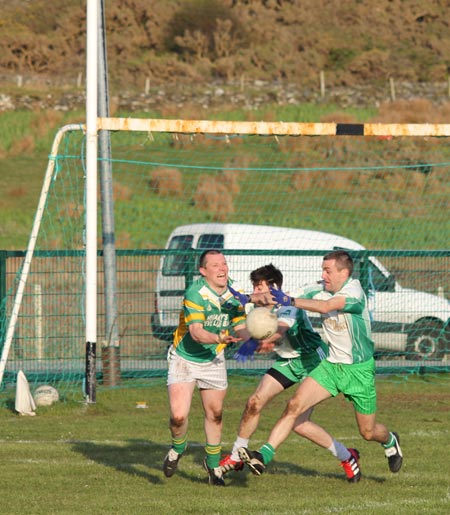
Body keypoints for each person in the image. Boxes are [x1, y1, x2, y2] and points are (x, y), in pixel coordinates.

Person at [238, 250, 403, 479]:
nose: (323, 275)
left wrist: (291, 301)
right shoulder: (317, 288)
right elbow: (278, 297)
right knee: (294, 406)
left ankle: (390, 440)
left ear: (344, 272)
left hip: (359, 371)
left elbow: (326, 307)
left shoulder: (353, 292)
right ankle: (263, 456)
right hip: (331, 366)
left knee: (368, 431)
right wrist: (245, 298)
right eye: (322, 270)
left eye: (328, 270)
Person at [221, 263, 364, 483]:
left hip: (313, 361)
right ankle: (236, 455)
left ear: (274, 287)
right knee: (254, 402)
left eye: (260, 288)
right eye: (254, 288)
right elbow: (249, 323)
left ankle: (347, 456)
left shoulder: (289, 304)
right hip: (288, 361)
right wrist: (248, 338)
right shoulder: (258, 307)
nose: (255, 293)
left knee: (300, 423)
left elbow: (279, 332)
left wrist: (261, 342)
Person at [163, 249, 252, 486]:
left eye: (224, 264)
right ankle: (177, 448)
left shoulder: (236, 294)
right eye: (215, 265)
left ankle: (214, 468)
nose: (222, 268)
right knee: (179, 416)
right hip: (185, 358)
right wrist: (219, 339)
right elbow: (197, 332)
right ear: (203, 271)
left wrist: (252, 337)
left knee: (215, 414)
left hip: (213, 360)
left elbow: (240, 324)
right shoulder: (196, 292)